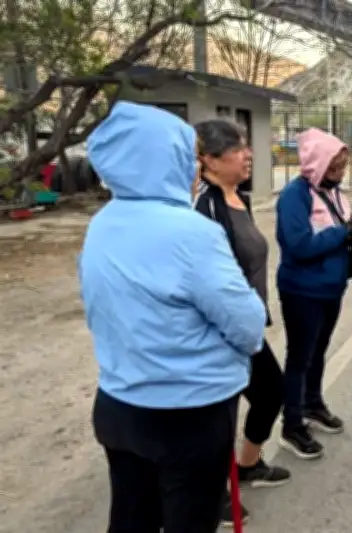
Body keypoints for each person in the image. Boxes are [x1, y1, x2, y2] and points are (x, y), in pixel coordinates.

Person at [79, 101, 266, 533]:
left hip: (119, 404)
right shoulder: (191, 232)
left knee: (131, 518)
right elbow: (246, 323)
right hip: (188, 412)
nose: (195, 168)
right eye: (188, 155)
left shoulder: (103, 222)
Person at [192, 119, 291, 527]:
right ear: (210, 162)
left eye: (247, 146)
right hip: (223, 331)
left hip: (245, 326)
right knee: (219, 416)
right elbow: (210, 279)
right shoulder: (207, 208)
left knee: (270, 394)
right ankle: (212, 497)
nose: (248, 154)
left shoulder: (239, 197)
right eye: (237, 149)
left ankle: (247, 466)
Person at [275, 127, 352, 459]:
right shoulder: (294, 196)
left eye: (342, 167)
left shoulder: (337, 194)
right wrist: (342, 233)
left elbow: (343, 232)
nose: (339, 174)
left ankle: (312, 403)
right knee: (300, 356)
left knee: (319, 350)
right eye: (333, 168)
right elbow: (299, 245)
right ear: (316, 164)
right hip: (302, 290)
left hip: (331, 288)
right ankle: (292, 423)